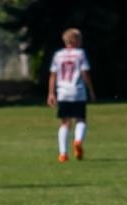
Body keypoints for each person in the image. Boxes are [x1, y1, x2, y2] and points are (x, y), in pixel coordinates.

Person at [47, 29, 95, 162]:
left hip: (63, 92)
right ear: (75, 40)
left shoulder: (58, 55)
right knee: (81, 119)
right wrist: (90, 90)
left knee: (65, 122)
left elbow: (53, 75)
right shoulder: (80, 54)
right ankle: (78, 141)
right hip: (78, 91)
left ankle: (63, 153)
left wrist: (51, 93)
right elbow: (85, 73)